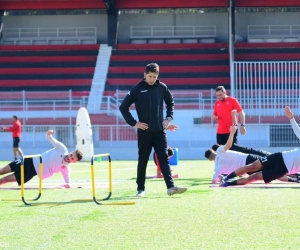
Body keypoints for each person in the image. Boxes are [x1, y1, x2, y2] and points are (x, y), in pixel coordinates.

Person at [119, 63, 187, 197]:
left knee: (164, 158)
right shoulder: (136, 89)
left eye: (154, 76)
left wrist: (168, 118)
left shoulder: (162, 87)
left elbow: (170, 102)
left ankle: (171, 187)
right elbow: (123, 107)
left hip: (160, 131)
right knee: (143, 159)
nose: (152, 79)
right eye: (150, 76)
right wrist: (134, 123)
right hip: (144, 132)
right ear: (144, 75)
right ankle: (141, 189)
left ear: (158, 76)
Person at [219, 106, 300, 187]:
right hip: (279, 156)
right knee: (251, 166)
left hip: (282, 169)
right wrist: (291, 118)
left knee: (254, 176)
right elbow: (297, 131)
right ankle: (226, 177)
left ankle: (226, 183)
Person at [205, 125, 297, 184]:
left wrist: (221, 178)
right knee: (275, 168)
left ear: (209, 159)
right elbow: (229, 145)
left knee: (269, 173)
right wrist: (232, 133)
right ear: (214, 151)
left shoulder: (216, 169)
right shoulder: (220, 150)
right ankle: (296, 176)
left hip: (246, 169)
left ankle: (295, 178)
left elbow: (214, 181)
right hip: (248, 158)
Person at [0, 130, 83, 188]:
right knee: (2, 170)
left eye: (72, 158)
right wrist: (49, 134)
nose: (69, 157)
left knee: (5, 179)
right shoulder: (62, 149)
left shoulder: (66, 169)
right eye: (71, 155)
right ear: (71, 151)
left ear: (74, 162)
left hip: (31, 172)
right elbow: (49, 137)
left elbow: (68, 182)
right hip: (29, 160)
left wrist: (68, 185)